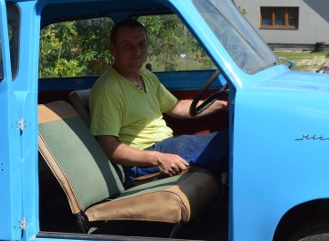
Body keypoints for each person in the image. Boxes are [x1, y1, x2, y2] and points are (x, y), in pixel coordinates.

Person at [89, 18, 228, 182]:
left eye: (142, 44)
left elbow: (176, 107)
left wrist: (221, 104)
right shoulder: (108, 89)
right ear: (113, 50)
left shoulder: (146, 75)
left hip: (164, 145)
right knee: (230, 143)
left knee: (231, 139)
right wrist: (159, 158)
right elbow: (108, 146)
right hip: (143, 159)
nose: (137, 51)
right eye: (128, 46)